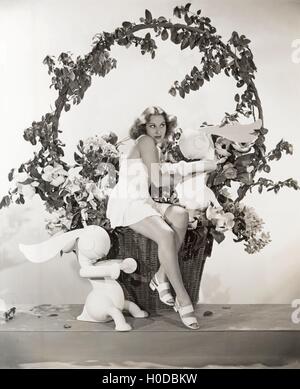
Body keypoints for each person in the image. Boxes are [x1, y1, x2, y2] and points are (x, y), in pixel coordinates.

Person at [106, 106, 217, 329]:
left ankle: (160, 276)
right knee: (166, 234)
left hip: (144, 200)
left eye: (162, 125)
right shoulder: (145, 142)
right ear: (143, 128)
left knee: (181, 215)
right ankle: (183, 299)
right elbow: (159, 181)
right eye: (152, 125)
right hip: (127, 202)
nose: (157, 130)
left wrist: (198, 169)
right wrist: (199, 169)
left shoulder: (155, 148)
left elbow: (158, 184)